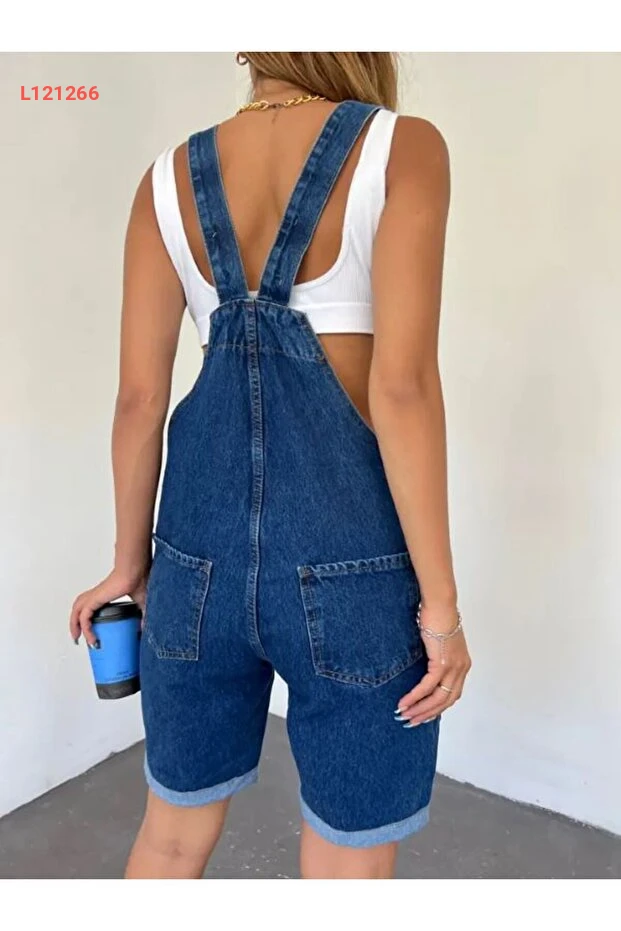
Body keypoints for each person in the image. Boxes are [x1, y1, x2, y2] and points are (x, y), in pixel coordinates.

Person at [70, 52, 471, 880]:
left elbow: (139, 400)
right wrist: (440, 608)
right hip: (353, 574)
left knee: (170, 837)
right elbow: (400, 389)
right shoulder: (401, 148)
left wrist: (128, 563)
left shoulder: (166, 180)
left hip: (195, 567)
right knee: (347, 861)